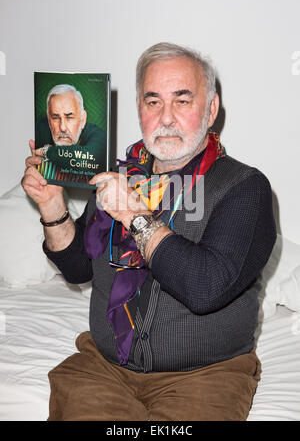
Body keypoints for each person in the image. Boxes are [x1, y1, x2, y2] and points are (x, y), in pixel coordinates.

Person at [21, 42, 277, 421]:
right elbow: (78, 270)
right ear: (139, 108)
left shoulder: (244, 188)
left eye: (183, 101)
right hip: (103, 369)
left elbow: (204, 288)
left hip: (206, 375)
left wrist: (135, 216)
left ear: (211, 110)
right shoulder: (121, 176)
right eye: (153, 101)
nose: (166, 118)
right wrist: (53, 208)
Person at [35, 84, 107, 171]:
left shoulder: (99, 136)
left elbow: (82, 160)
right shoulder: (39, 129)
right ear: (49, 119)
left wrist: (46, 151)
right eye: (55, 118)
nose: (62, 128)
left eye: (69, 117)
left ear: (83, 119)